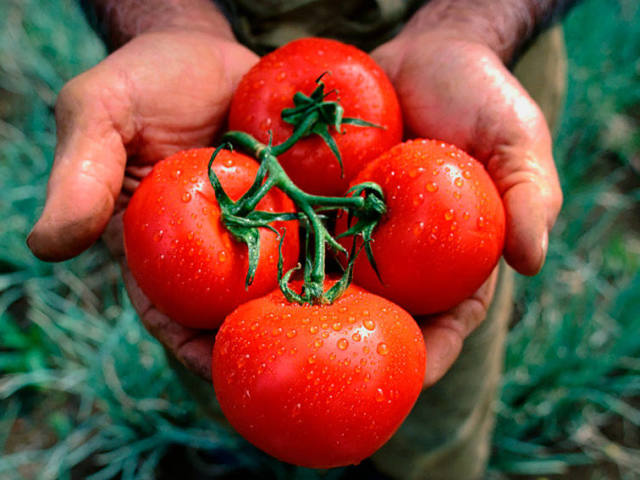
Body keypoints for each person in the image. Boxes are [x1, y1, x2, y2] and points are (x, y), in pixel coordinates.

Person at [27, 1, 571, 478]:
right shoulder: (216, 198)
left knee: (445, 404)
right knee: (218, 379)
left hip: (475, 58)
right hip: (202, 63)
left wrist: (469, 24)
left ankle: (429, 468)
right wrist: (168, 18)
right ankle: (245, 450)